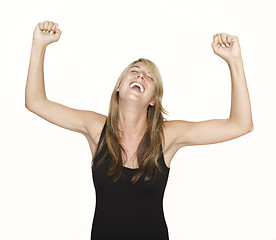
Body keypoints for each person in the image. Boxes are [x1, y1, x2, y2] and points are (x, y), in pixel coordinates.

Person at [25, 20, 254, 240]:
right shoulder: (96, 128)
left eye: (149, 77)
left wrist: (234, 60)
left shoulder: (167, 136)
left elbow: (240, 125)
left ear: (153, 99)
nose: (141, 76)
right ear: (118, 86)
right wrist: (39, 43)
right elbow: (35, 102)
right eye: (134, 71)